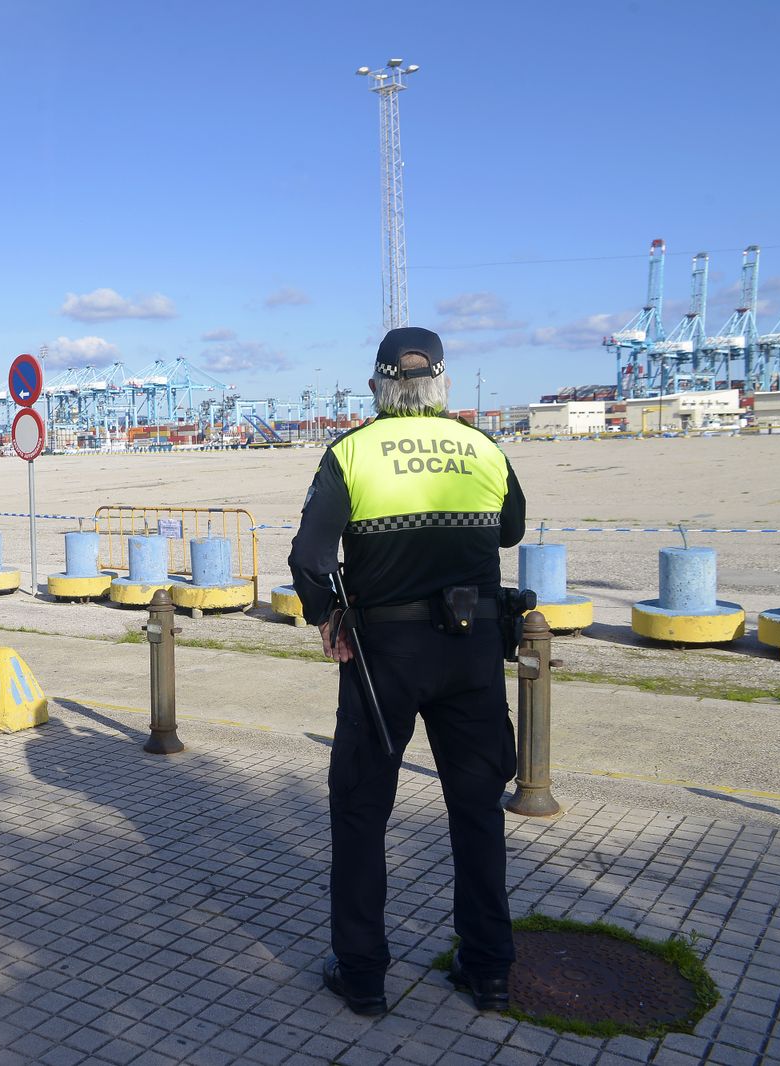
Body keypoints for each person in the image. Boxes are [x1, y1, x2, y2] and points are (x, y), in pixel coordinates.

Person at [287, 327, 527, 1017]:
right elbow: (510, 528)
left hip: (383, 659)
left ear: (378, 385)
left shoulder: (352, 451)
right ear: (442, 383)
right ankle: (488, 969)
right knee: (477, 811)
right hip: (473, 649)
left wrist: (326, 614)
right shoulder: (483, 447)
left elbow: (309, 555)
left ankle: (362, 973)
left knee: (362, 812)